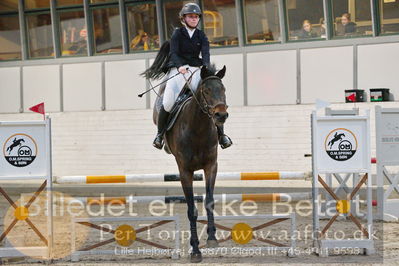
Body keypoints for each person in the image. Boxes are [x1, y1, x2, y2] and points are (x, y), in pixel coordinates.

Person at [152, 2, 232, 150]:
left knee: (209, 99)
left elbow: (206, 53)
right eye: (191, 17)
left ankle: (222, 135)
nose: (194, 19)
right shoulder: (178, 33)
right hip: (178, 69)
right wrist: (180, 66)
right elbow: (174, 53)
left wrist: (206, 67)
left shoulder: (201, 35)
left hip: (196, 69)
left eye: (196, 17)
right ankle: (159, 135)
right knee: (168, 102)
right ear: (184, 19)